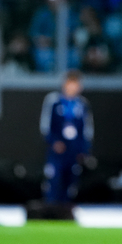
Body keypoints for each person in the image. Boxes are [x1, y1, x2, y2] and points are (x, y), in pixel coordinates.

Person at [39, 70, 93, 205]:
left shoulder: (82, 104)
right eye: (70, 84)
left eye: (76, 84)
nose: (72, 87)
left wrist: (83, 150)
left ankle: (66, 211)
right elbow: (45, 125)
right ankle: (51, 209)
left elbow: (87, 129)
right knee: (54, 178)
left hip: (73, 151)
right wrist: (53, 142)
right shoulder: (54, 101)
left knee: (71, 181)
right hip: (57, 150)